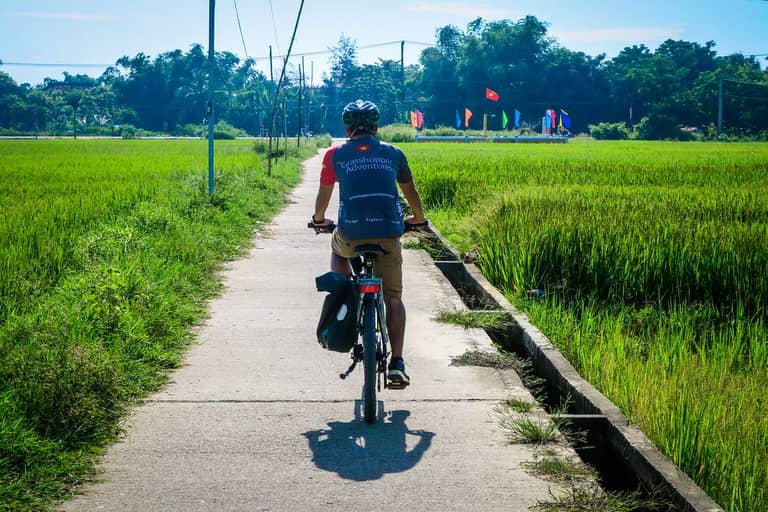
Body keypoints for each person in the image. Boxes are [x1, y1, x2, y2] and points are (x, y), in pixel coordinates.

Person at [312, 99, 427, 388]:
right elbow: (410, 191)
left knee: (337, 249)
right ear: (376, 126)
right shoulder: (393, 153)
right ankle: (397, 363)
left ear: (347, 127)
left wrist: (319, 219)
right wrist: (418, 218)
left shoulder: (334, 155)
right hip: (389, 233)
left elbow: (324, 194)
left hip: (350, 235)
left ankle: (344, 286)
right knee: (394, 299)